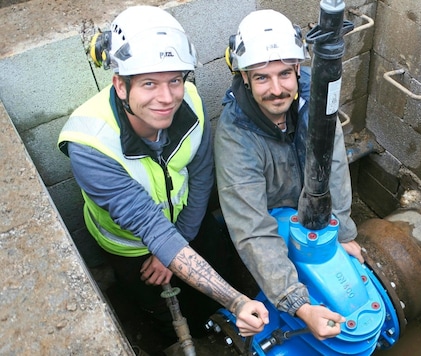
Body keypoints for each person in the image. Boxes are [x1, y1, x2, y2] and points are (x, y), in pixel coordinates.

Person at [57, 5, 268, 341]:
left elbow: (200, 176)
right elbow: (148, 226)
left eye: (175, 80)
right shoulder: (90, 144)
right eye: (149, 83)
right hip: (131, 247)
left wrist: (181, 237)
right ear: (121, 86)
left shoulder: (193, 104)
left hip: (188, 220)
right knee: (159, 310)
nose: (166, 97)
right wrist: (237, 300)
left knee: (219, 269)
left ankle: (215, 325)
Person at [214, 9, 364, 341]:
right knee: (270, 268)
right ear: (244, 78)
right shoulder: (234, 134)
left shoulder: (317, 100)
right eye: (261, 78)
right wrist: (298, 304)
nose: (276, 89)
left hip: (313, 212)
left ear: (298, 69)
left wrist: (342, 233)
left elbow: (335, 166)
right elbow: (252, 229)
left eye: (284, 74)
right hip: (269, 221)